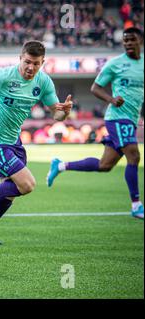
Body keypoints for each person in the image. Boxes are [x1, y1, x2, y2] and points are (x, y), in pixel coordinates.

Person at [0, 40, 73, 245]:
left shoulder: (43, 82)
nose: (31, 68)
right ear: (20, 59)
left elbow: (56, 114)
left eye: (36, 63)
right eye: (28, 62)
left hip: (13, 142)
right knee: (27, 185)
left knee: (10, 193)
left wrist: (64, 113)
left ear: (43, 63)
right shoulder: (4, 76)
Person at [47, 27, 144, 220]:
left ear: (140, 40)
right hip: (117, 117)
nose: (128, 43)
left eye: (132, 40)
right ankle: (136, 205)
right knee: (133, 156)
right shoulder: (116, 64)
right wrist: (111, 99)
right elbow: (95, 88)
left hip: (131, 119)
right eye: (125, 40)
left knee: (105, 165)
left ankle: (61, 166)